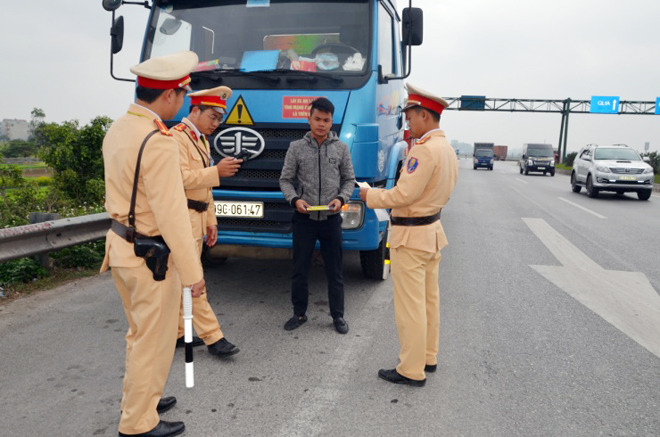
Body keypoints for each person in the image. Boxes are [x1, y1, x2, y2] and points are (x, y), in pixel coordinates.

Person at [100, 51, 205, 437]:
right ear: (169, 95)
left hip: (121, 248)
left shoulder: (119, 129)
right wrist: (193, 274)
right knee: (153, 341)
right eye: (183, 93)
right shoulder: (158, 140)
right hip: (151, 259)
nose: (184, 100)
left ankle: (141, 400)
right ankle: (138, 423)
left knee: (138, 335)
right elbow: (172, 215)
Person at [359, 84, 458, 387]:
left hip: (411, 237)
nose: (408, 123)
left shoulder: (424, 151)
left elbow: (403, 195)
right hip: (431, 233)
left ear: (424, 115)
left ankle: (411, 369)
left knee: (410, 307)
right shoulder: (447, 149)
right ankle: (428, 356)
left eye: (411, 116)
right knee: (428, 302)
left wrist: (369, 195)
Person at [171, 85, 241, 358]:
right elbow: (178, 179)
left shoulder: (200, 140)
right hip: (182, 217)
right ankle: (214, 337)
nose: (216, 124)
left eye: (219, 119)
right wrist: (216, 171)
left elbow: (206, 189)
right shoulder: (176, 138)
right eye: (212, 116)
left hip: (198, 218)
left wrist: (211, 220)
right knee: (194, 278)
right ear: (195, 110)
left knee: (183, 277)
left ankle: (179, 332)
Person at [279, 97, 355, 334]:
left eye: (326, 120)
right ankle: (299, 314)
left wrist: (341, 199)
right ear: (309, 119)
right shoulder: (296, 148)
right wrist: (295, 200)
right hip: (304, 219)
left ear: (332, 122)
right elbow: (285, 180)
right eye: (317, 119)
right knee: (300, 270)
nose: (321, 124)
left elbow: (349, 180)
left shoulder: (341, 148)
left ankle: (338, 316)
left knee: (335, 270)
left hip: (331, 219)